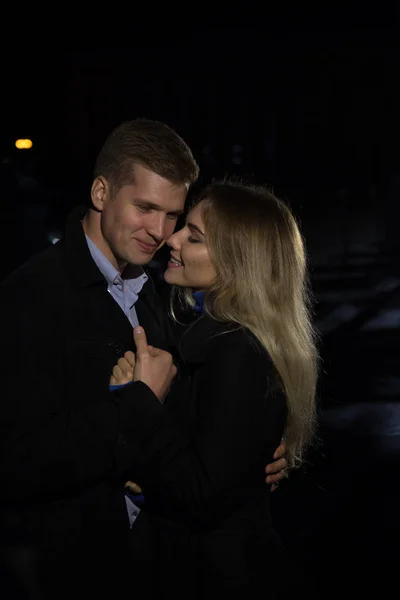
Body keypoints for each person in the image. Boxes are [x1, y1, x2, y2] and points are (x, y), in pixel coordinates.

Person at [0, 119, 287, 600]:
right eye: (145, 207)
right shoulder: (29, 299)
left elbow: (193, 416)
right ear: (100, 191)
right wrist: (134, 407)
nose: (159, 232)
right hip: (78, 570)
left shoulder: (160, 295)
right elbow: (15, 460)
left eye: (173, 215)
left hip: (162, 563)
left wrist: (243, 452)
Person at [110, 179, 319, 597]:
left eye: (194, 236)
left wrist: (139, 403)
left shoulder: (236, 351)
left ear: (238, 261)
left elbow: (199, 496)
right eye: (183, 227)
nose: (172, 239)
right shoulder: (214, 338)